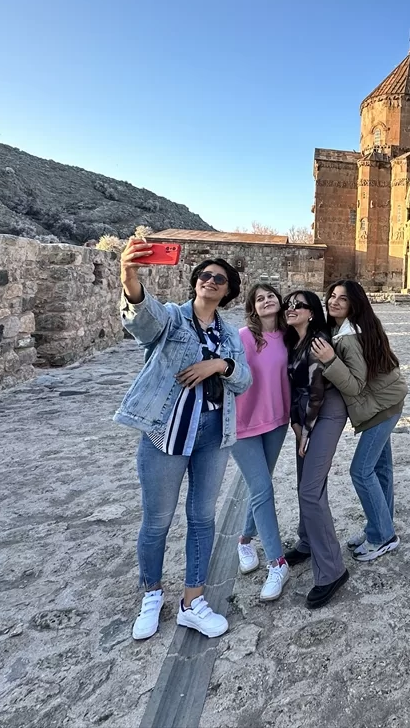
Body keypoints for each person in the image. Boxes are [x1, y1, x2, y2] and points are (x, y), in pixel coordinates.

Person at [114, 240, 251, 641]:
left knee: (202, 517)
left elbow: (243, 379)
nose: (210, 281)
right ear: (195, 283)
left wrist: (219, 364)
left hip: (213, 434)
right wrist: (129, 275)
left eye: (219, 279)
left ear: (228, 291)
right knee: (157, 520)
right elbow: (142, 318)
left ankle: (192, 602)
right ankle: (151, 595)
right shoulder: (173, 319)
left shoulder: (229, 335)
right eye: (205, 276)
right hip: (167, 432)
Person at [311, 280, 408, 563]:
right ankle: (380, 527)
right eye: (332, 296)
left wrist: (329, 360)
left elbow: (354, 385)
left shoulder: (349, 337)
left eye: (343, 298)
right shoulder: (351, 328)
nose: (334, 301)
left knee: (361, 471)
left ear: (354, 303)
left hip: (382, 407)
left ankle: (382, 537)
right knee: (381, 469)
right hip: (388, 401)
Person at [281, 289, 352, 609]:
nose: (290, 308)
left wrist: (305, 430)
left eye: (299, 305)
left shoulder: (317, 341)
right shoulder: (293, 340)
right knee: (303, 481)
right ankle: (308, 540)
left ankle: (332, 571)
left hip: (325, 413)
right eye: (288, 304)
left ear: (312, 312)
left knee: (311, 489)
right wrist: (297, 426)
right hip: (306, 416)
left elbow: (316, 390)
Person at [230, 283, 291, 602]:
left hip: (276, 422)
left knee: (260, 486)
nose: (267, 301)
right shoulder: (241, 337)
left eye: (271, 296)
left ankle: (244, 540)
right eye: (260, 298)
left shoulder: (289, 336)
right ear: (253, 307)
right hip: (241, 426)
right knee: (263, 489)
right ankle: (278, 562)